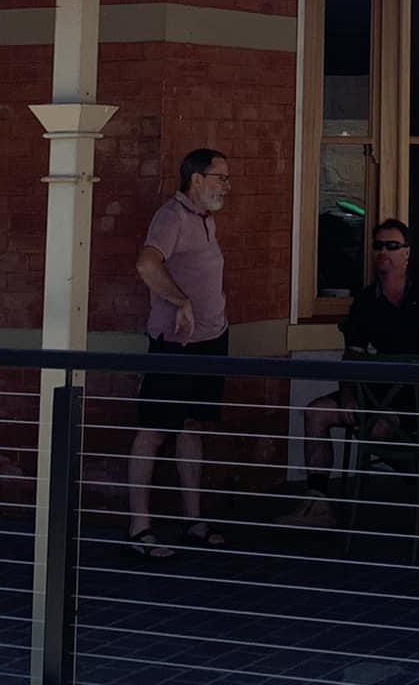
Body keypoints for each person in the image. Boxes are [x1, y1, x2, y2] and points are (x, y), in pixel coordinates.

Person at [280, 218, 419, 529]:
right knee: (316, 413)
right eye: (377, 245)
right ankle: (318, 503)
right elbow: (351, 356)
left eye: (392, 246)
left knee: (379, 428)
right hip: (376, 392)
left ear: (406, 253)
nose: (383, 252)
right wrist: (348, 393)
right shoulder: (366, 300)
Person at [127, 147, 234, 557]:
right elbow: (146, 265)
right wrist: (181, 301)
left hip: (210, 340)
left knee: (192, 425)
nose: (226, 186)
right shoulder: (172, 216)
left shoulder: (205, 219)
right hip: (174, 344)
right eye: (220, 177)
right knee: (153, 431)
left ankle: (193, 521)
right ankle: (139, 528)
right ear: (196, 179)